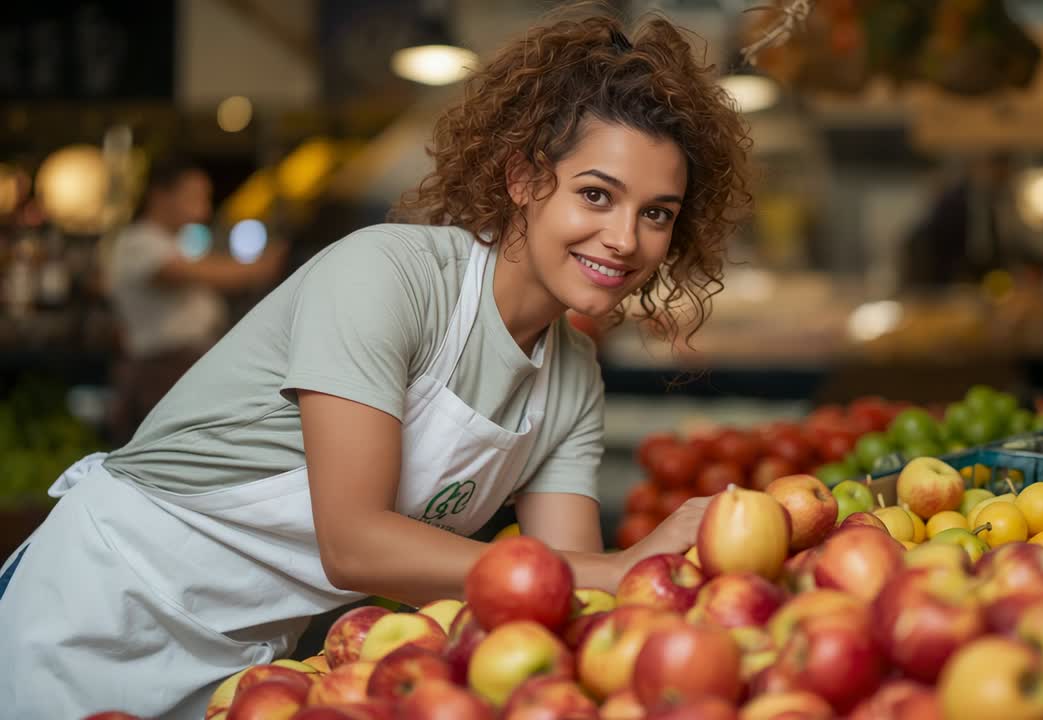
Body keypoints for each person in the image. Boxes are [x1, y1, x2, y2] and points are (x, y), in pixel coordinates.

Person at [0, 13, 751, 719]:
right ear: (523, 180)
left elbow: (558, 590)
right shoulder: (387, 277)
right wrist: (625, 565)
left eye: (657, 212)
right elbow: (353, 543)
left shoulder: (570, 379)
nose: (624, 239)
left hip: (247, 667)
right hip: (98, 613)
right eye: (596, 194)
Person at [104, 156, 287, 444]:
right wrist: (260, 267)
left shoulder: (171, 242)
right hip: (163, 371)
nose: (202, 206)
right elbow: (195, 273)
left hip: (184, 367)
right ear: (161, 195)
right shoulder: (138, 241)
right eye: (193, 196)